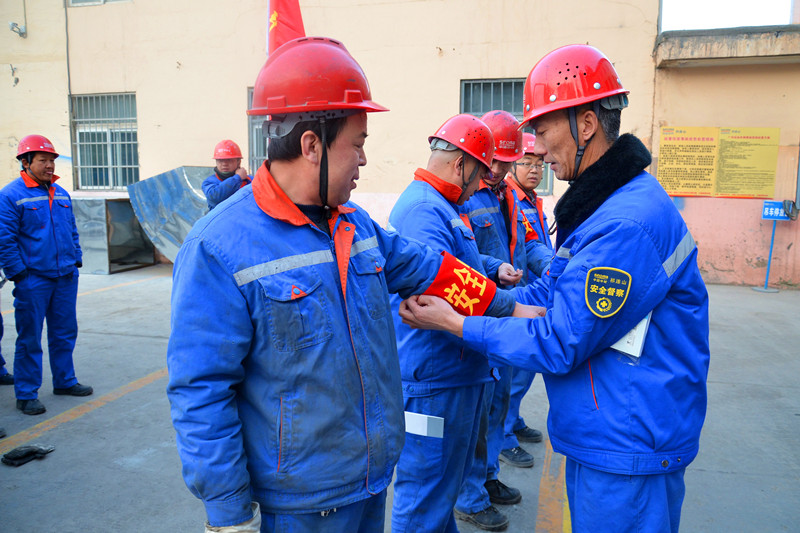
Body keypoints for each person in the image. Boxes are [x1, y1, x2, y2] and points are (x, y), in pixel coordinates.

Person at [166, 37, 527, 533]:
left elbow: (431, 269)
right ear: (312, 145)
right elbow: (201, 390)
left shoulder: (355, 224)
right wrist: (229, 515)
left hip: (369, 483)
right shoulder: (220, 246)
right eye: (357, 144)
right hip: (299, 505)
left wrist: (511, 308)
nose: (363, 159)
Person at [399, 44, 710, 533]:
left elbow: (561, 339)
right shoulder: (603, 208)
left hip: (629, 441)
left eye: (542, 131)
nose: (537, 150)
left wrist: (458, 323)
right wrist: (492, 303)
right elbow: (548, 294)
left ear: (585, 125)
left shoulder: (624, 224)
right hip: (611, 428)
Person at [389, 114, 522, 533]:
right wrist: (515, 309)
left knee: (443, 491)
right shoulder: (423, 210)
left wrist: (493, 268)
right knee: (425, 492)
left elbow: (462, 262)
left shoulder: (445, 206)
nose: (481, 183)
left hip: (455, 372)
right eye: (480, 173)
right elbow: (442, 284)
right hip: (433, 380)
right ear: (461, 164)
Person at [455, 110, 550, 530]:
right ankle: (469, 496)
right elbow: (460, 256)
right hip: (479, 316)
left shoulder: (507, 197)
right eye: (494, 161)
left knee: (498, 403)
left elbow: (529, 242)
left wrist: (556, 268)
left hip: (507, 310)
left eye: (506, 163)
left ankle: (488, 475)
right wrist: (495, 269)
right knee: (476, 412)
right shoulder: (464, 197)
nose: (498, 170)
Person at [0, 135, 93, 416]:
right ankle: (26, 393)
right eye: (43, 160)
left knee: (64, 333)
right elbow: (5, 239)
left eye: (52, 160)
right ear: (26, 162)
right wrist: (19, 274)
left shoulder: (61, 193)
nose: (50, 165)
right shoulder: (11, 195)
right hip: (33, 279)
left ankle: (65, 381)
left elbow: (72, 230)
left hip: (65, 276)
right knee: (30, 338)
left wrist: (75, 258)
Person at [499, 132, 550, 464]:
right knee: (514, 372)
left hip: (531, 295)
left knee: (524, 370)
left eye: (539, 164)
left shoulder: (528, 200)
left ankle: (513, 419)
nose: (535, 170)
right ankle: (503, 436)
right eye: (527, 163)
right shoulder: (508, 199)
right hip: (515, 296)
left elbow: (534, 244)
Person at [201, 140, 252, 210]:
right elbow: (215, 197)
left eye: (229, 160)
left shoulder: (250, 181)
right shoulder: (209, 182)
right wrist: (237, 178)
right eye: (220, 160)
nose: (224, 164)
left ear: (238, 162)